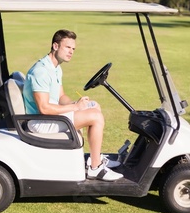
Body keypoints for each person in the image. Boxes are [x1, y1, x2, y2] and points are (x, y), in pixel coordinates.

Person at [22, 29, 123, 181]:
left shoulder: (55, 68)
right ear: (55, 46)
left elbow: (61, 96)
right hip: (40, 122)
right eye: (67, 47)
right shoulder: (41, 71)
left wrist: (76, 103)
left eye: (73, 49)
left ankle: (95, 158)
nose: (71, 52)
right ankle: (95, 168)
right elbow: (44, 108)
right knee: (95, 117)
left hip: (51, 117)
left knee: (94, 107)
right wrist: (75, 108)